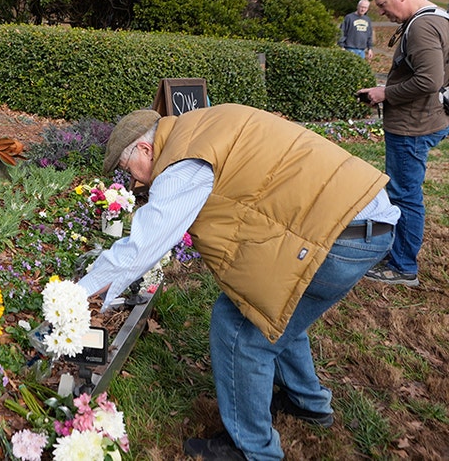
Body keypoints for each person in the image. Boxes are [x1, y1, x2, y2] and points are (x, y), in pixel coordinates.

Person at [80, 104, 398, 461]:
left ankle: (252, 449)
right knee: (273, 303)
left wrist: (78, 298)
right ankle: (307, 401)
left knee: (239, 331)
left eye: (128, 170)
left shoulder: (183, 163)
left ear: (144, 149)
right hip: (360, 217)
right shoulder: (198, 129)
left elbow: (144, 245)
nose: (135, 181)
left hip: (342, 237)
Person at [357, 0, 449, 286]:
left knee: (405, 197)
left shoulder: (422, 26)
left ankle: (402, 266)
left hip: (413, 126)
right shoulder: (438, 18)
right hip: (424, 119)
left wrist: (385, 93)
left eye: (383, 5)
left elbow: (429, 80)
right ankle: (397, 254)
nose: (380, 12)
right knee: (402, 193)